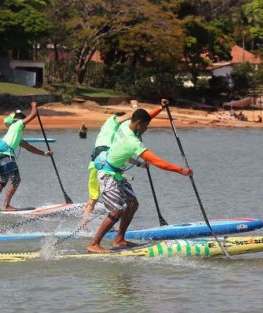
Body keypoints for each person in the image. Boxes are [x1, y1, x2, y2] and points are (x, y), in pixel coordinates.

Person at [87, 104, 192, 253]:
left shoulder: (125, 125)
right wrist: (180, 170)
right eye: (146, 126)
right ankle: (94, 244)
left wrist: (160, 108)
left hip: (117, 173)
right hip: (107, 174)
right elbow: (157, 161)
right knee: (116, 211)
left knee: (132, 203)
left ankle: (119, 240)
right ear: (139, 124)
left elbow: (142, 116)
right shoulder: (133, 142)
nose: (146, 129)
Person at [81, 99, 169, 229]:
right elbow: (136, 115)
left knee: (104, 197)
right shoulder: (113, 120)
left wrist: (139, 164)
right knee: (98, 198)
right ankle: (85, 226)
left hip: (105, 162)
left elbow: (122, 155)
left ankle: (92, 225)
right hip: (101, 162)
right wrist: (135, 104)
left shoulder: (117, 133)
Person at [0, 102, 52, 211]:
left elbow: (29, 147)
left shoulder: (16, 134)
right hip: (5, 152)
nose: (25, 125)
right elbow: (34, 115)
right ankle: (6, 205)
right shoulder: (17, 125)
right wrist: (34, 106)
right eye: (24, 123)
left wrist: (44, 153)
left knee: (3, 180)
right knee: (16, 180)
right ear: (20, 121)